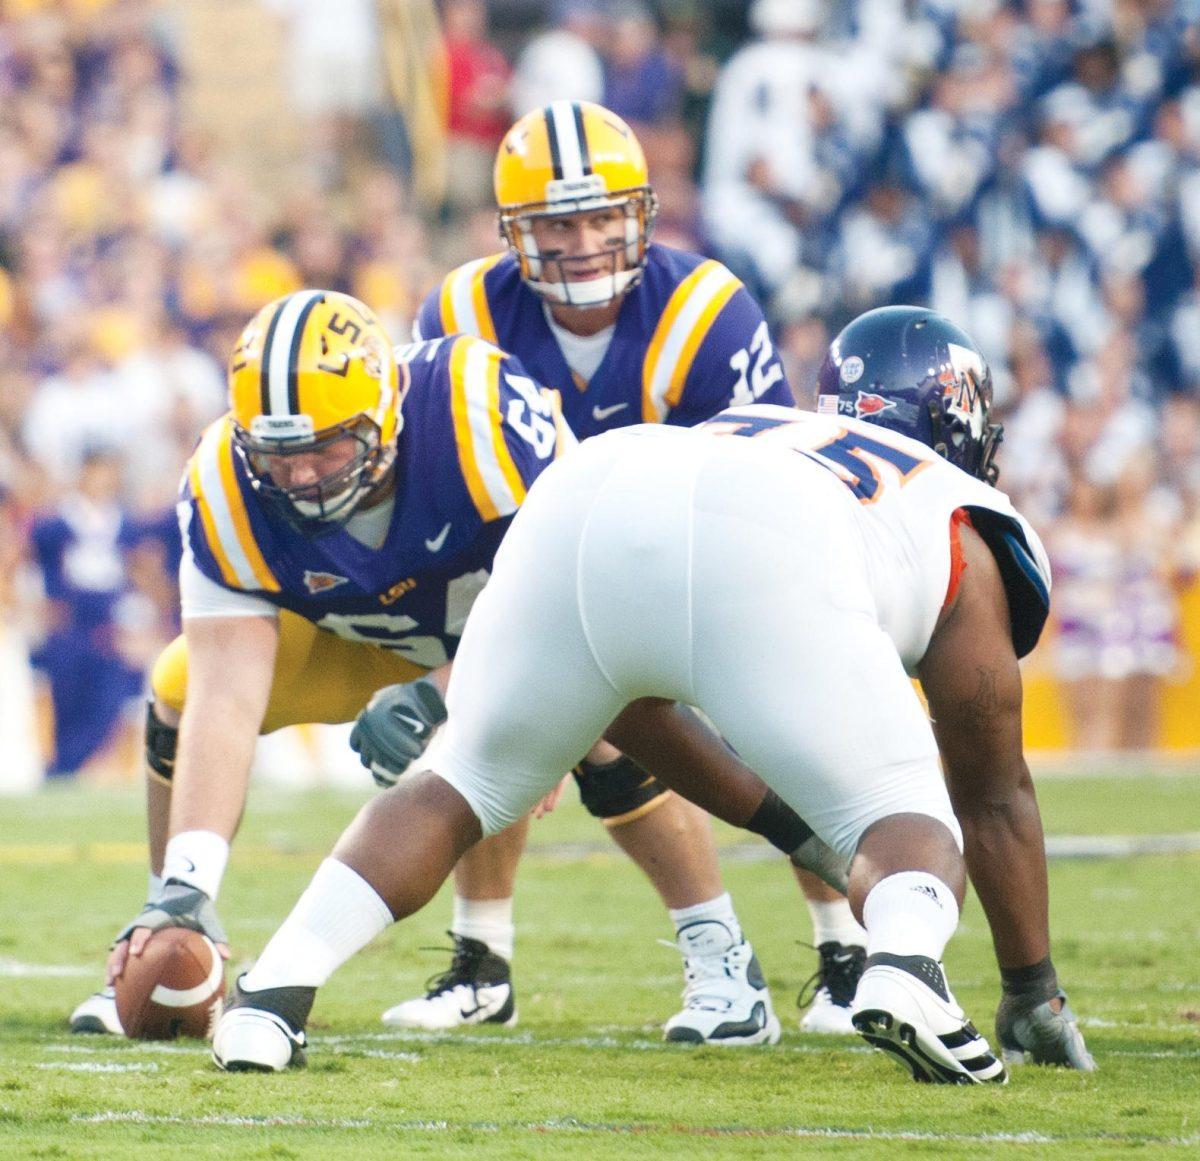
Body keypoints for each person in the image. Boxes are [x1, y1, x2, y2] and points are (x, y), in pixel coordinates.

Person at [209, 306, 1094, 1079]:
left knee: (459, 783)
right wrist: (1031, 989)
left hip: (589, 485)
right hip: (767, 533)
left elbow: (630, 700)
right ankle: (904, 967)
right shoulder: (951, 507)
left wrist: (788, 825)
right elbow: (994, 791)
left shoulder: (769, 423)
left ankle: (270, 996)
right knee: (915, 815)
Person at [400, 100, 795, 1043]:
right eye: (555, 224)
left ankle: (843, 950)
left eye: (598, 216)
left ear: (639, 211)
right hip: (531, 574)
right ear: (513, 233)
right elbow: (452, 487)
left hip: (701, 567)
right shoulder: (461, 313)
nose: (581, 243)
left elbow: (768, 490)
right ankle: (484, 959)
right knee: (504, 718)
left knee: (795, 735)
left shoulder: (705, 310)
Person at [69, 289, 569, 1034]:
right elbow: (227, 695)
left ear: (386, 415)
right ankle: (166, 925)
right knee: (179, 682)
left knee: (611, 725)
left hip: (500, 631)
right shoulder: (225, 484)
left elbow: (568, 609)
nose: (301, 475)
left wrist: (453, 694)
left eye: (325, 447)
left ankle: (701, 954)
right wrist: (185, 884)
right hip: (350, 637)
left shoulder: (478, 420)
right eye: (278, 452)